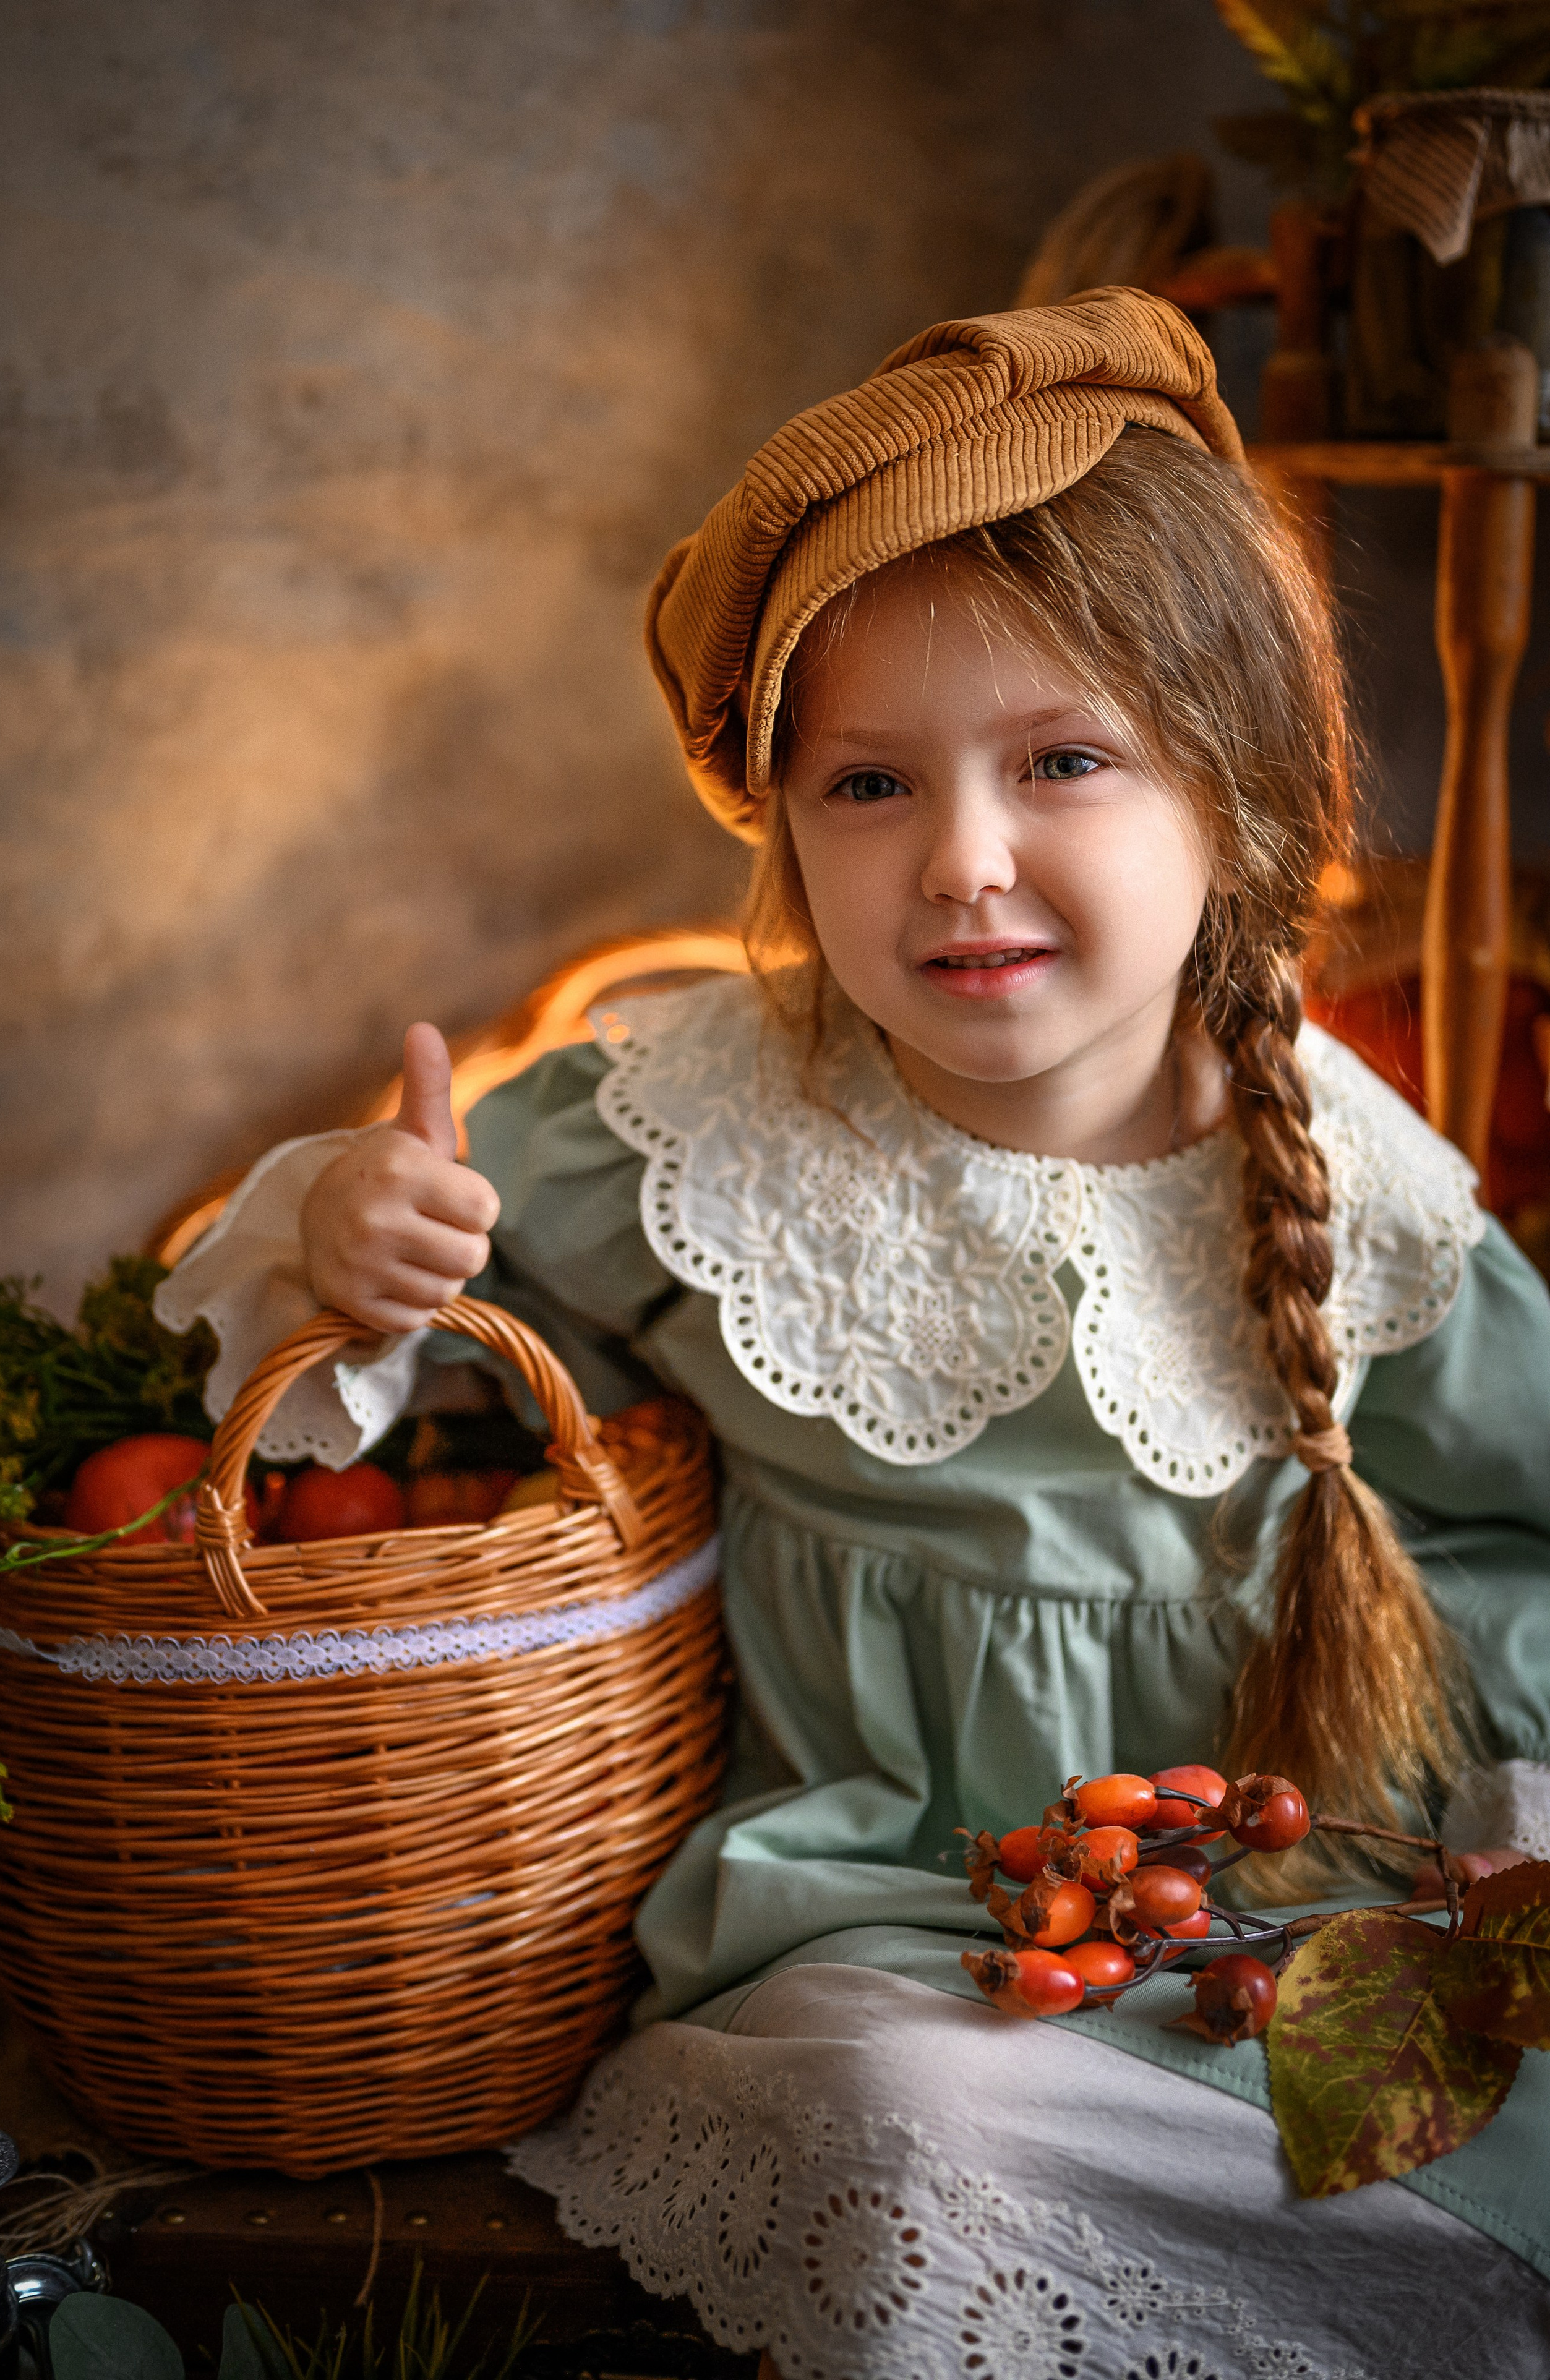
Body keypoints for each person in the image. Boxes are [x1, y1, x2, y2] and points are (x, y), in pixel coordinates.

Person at [159, 288, 1550, 2376]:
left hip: (1313, 1882)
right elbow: (375, 1359)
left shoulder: (1341, 1166)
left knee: (1439, 2123)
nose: (965, 864)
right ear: (786, 821)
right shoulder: (696, 1120)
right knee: (905, 2127)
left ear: (1236, 796)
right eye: (873, 785)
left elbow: (1521, 1515)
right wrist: (355, 1223)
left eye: (1064, 762)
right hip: (908, 1907)